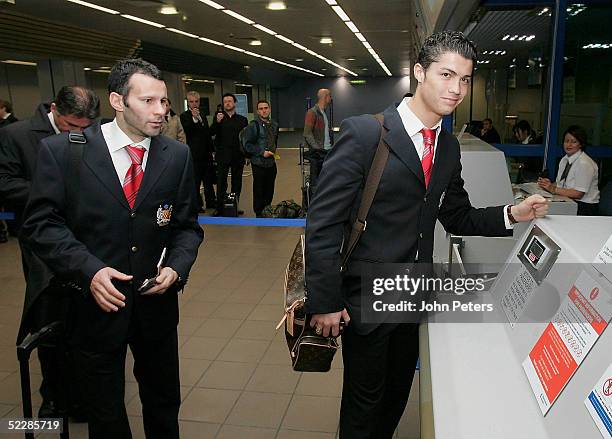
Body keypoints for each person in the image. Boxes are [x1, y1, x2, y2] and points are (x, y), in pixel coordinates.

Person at [304, 31, 548, 439]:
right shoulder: (366, 134)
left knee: (396, 399)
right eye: (446, 74)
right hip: (366, 299)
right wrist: (325, 300)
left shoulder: (448, 148)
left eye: (465, 79)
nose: (456, 89)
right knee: (363, 408)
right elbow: (323, 222)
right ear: (420, 72)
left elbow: (457, 216)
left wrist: (512, 213)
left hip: (415, 297)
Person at [20, 59, 203, 438]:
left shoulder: (176, 156)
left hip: (156, 307)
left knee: (163, 402)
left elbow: (186, 228)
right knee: (104, 410)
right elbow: (41, 224)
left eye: (164, 101)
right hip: (94, 308)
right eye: (148, 101)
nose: (161, 111)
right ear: (118, 101)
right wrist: (89, 270)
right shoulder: (63, 153)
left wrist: (177, 268)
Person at [1, 86, 99, 417]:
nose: (78, 134)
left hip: (87, 240)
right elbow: (5, 183)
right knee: (50, 321)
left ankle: (85, 393)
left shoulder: (93, 133)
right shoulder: (17, 136)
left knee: (86, 322)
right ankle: (54, 395)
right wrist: (53, 190)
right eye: (72, 126)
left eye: (85, 128)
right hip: (43, 244)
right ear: (55, 110)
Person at [538, 125, 600, 215]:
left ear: (581, 144)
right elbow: (561, 185)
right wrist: (548, 184)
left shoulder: (584, 163)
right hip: (567, 201)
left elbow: (578, 193)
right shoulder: (564, 160)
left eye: (574, 142)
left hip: (584, 207)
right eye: (566, 141)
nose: (569, 145)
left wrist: (552, 188)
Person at [210, 92, 248, 214]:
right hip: (223, 156)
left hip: (238, 156)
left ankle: (234, 206)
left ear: (234, 103)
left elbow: (246, 140)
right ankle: (219, 207)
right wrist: (216, 122)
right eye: (225, 101)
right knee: (221, 182)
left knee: (237, 182)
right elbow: (211, 133)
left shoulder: (243, 120)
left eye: (230, 101)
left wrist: (247, 155)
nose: (227, 103)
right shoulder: (219, 118)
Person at [180, 91, 216, 211]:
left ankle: (211, 202)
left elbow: (206, 133)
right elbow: (188, 131)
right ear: (188, 102)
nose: (194, 104)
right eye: (191, 101)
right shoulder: (184, 116)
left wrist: (212, 150)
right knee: (195, 182)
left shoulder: (203, 114)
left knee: (208, 180)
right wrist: (194, 119)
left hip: (206, 154)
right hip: (194, 154)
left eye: (196, 101)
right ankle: (197, 205)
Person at [243, 99, 279, 217]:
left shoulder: (274, 124)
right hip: (258, 163)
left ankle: (266, 209)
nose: (264, 111)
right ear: (258, 111)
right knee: (259, 189)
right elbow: (247, 144)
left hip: (271, 162)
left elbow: (275, 141)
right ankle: (259, 212)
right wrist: (261, 152)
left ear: (269, 109)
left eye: (266, 108)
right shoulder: (253, 126)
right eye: (261, 109)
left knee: (270, 188)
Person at [303, 88, 332, 194]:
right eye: (330, 96)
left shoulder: (323, 113)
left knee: (326, 182)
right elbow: (307, 133)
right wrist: (317, 148)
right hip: (318, 154)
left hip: (326, 151)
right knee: (315, 183)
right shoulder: (312, 112)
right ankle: (314, 206)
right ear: (326, 97)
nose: (331, 98)